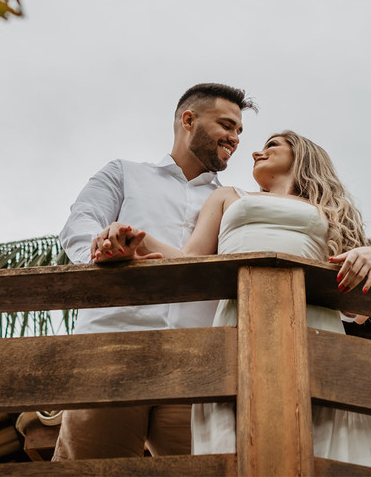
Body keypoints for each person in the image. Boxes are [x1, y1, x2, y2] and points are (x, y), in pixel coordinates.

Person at [93, 130, 371, 470]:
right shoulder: (227, 197)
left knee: (326, 442)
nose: (256, 153)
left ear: (302, 154)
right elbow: (190, 260)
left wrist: (369, 255)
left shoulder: (329, 210)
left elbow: (355, 311)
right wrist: (136, 238)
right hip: (239, 328)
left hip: (313, 331)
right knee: (237, 440)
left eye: (272, 145)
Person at [52, 83, 256, 461]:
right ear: (188, 120)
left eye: (240, 130)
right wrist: (101, 250)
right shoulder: (124, 173)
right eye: (227, 125)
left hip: (197, 364)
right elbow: (80, 224)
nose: (236, 138)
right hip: (111, 348)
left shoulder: (235, 202)